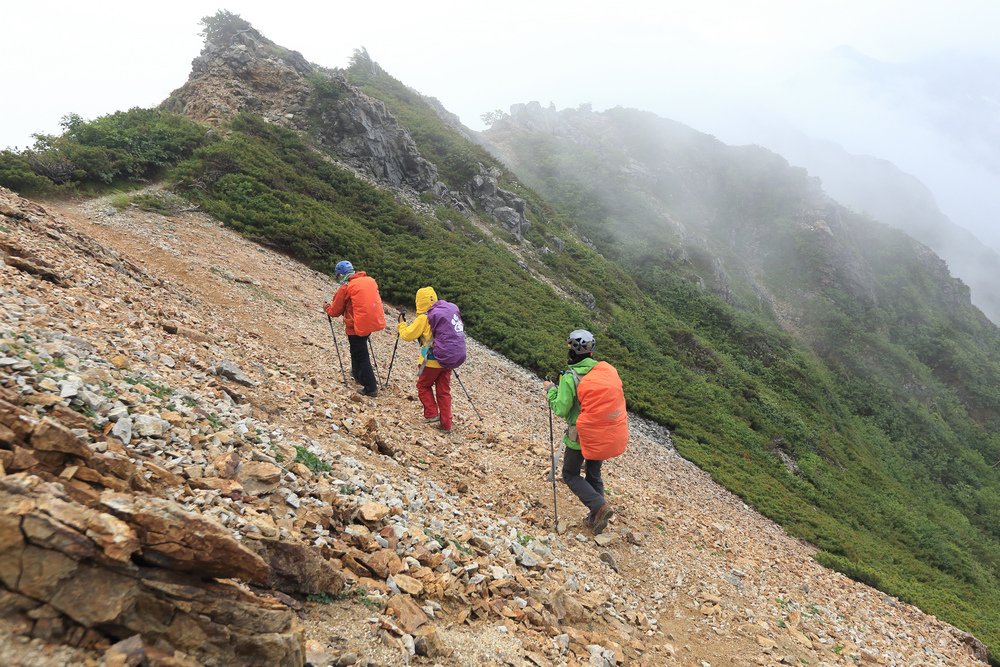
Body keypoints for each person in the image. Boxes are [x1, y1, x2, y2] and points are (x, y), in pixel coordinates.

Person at [544, 329, 615, 534]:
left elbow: (561, 408)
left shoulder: (569, 377)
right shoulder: (601, 372)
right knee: (594, 473)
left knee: (570, 474)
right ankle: (596, 518)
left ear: (574, 350)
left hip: (580, 435)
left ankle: (599, 507)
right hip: (601, 432)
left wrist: (550, 390)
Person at [325, 260, 385, 396]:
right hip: (368, 325)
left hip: (354, 327)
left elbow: (335, 311)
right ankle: (357, 374)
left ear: (340, 275)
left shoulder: (345, 288)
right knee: (357, 350)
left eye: (337, 276)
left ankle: (371, 387)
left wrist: (326, 308)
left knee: (361, 354)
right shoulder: (364, 281)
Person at [396, 287, 453, 432]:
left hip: (431, 361)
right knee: (444, 391)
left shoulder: (423, 318)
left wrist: (401, 324)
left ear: (419, 301)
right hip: (447, 360)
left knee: (423, 386)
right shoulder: (444, 314)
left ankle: (431, 414)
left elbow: (407, 335)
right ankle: (446, 424)